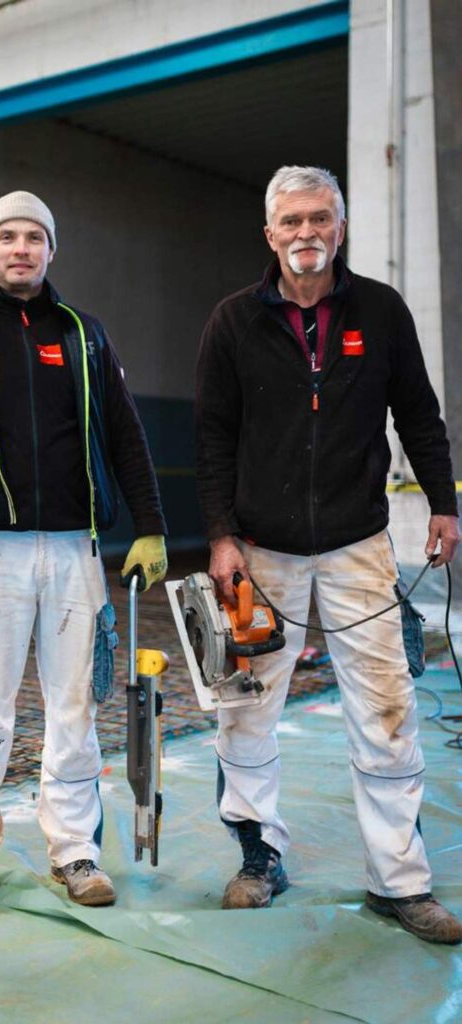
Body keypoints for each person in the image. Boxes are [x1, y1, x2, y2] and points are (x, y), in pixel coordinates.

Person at [195, 165, 461, 943]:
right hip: (260, 554)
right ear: (269, 234)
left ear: (337, 229)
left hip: (356, 546)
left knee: (385, 713)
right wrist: (220, 535)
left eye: (319, 219)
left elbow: (417, 410)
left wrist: (443, 503)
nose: (305, 233)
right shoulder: (232, 322)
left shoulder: (378, 310)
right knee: (245, 712)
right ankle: (258, 859)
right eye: (291, 222)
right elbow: (210, 434)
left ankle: (397, 882)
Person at [0, 190, 167, 923]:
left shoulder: (84, 334)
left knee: (73, 709)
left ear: (51, 250)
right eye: (7, 237)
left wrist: (149, 524)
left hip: (73, 553)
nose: (20, 248)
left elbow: (125, 435)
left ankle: (74, 851)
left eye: (34, 238)